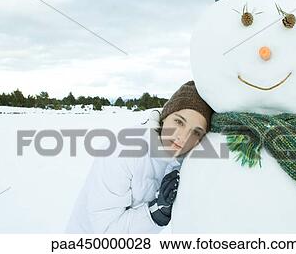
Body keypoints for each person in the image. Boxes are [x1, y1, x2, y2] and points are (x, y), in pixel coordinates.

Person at [65, 80, 213, 233]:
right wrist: (156, 213)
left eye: (196, 132)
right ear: (165, 116)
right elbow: (104, 230)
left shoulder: (186, 162)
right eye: (179, 122)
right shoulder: (121, 151)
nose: (183, 138)